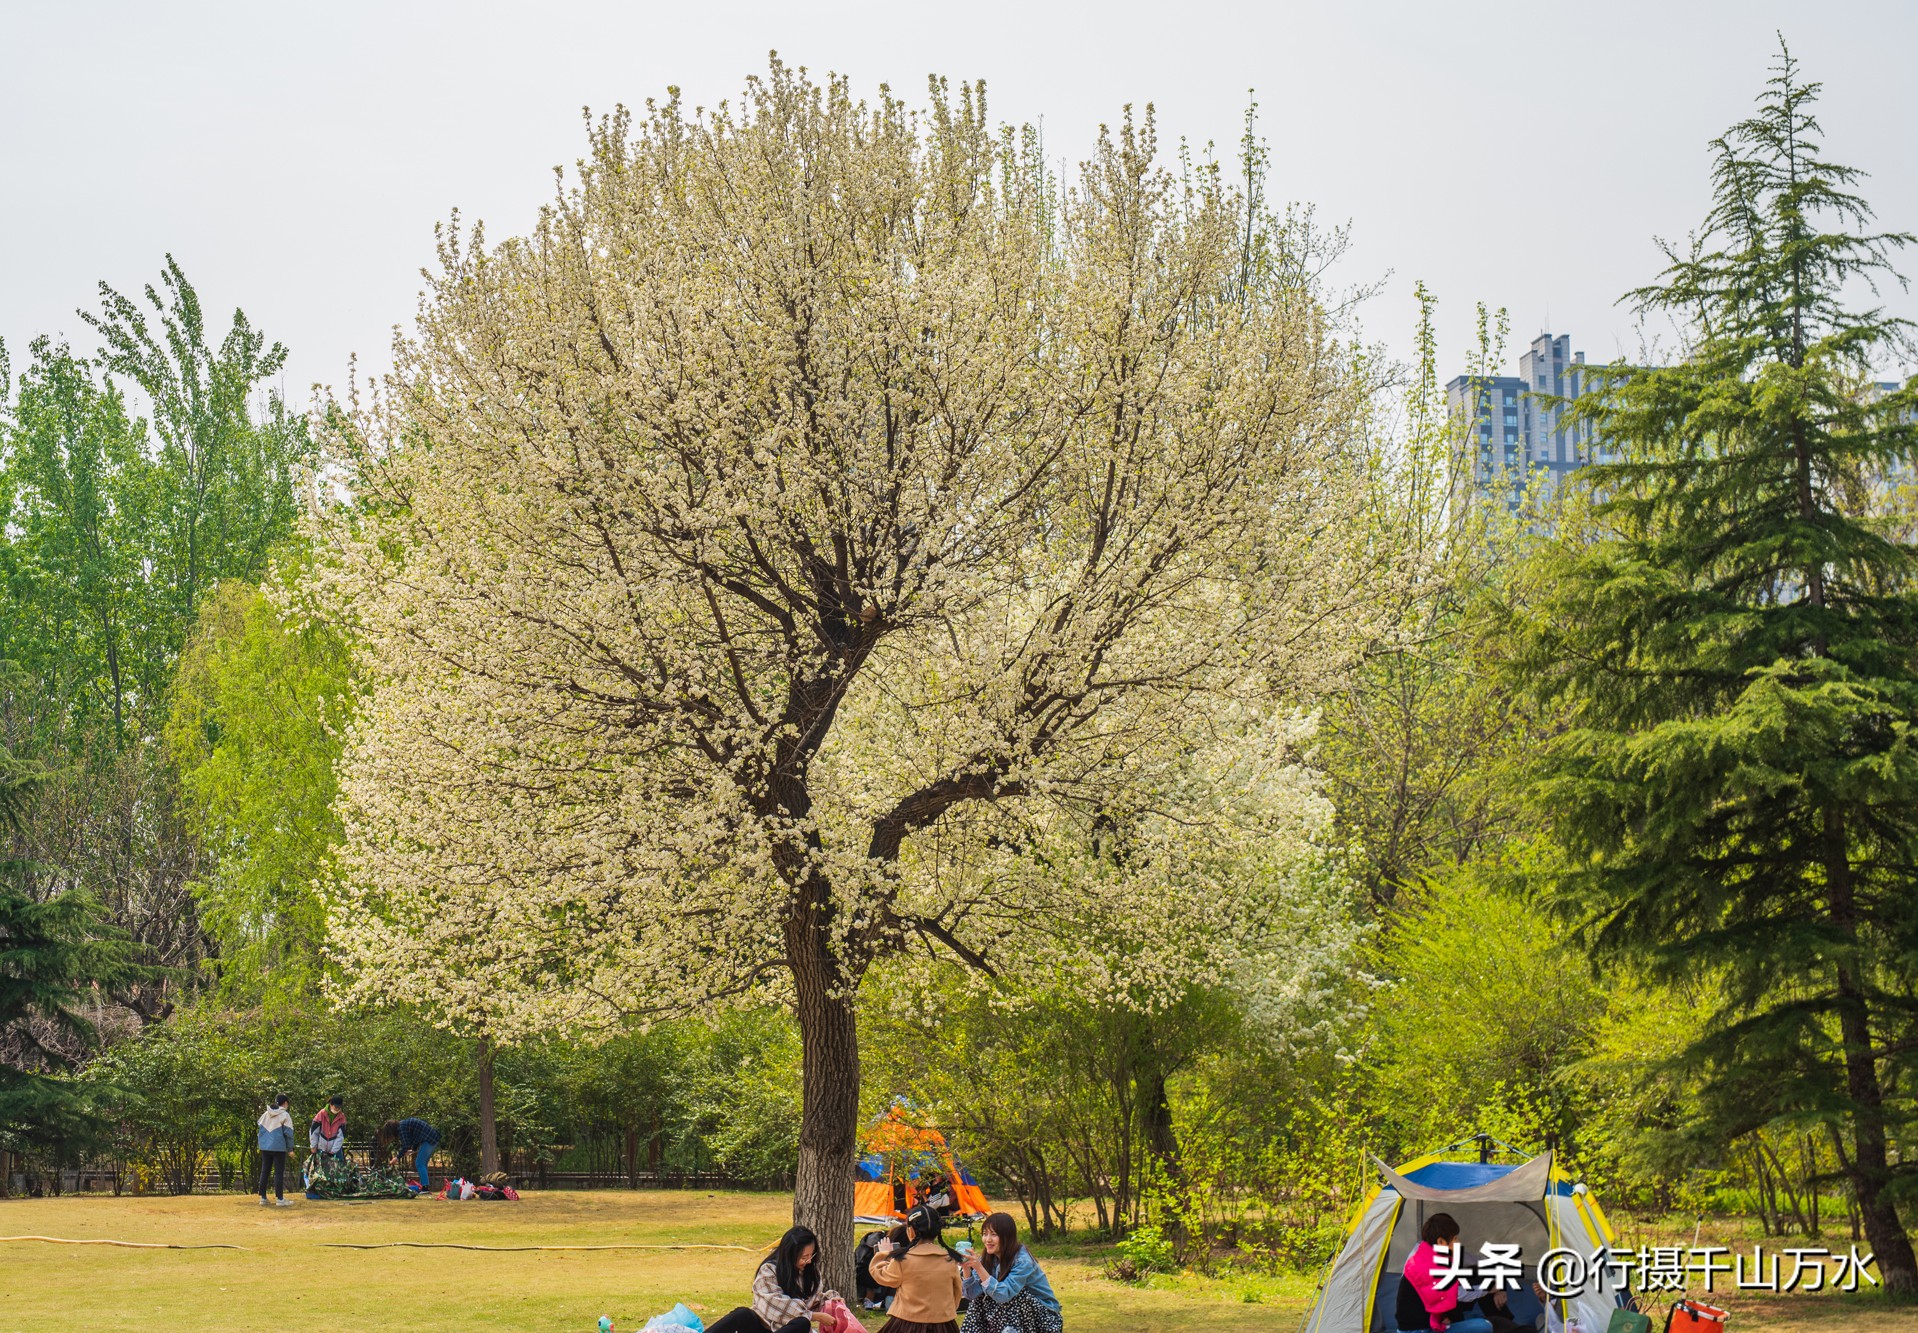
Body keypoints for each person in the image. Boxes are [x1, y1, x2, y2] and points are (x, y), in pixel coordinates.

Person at [1399, 1213, 1521, 1333]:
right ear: (1441, 1241)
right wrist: (1488, 1289)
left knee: (1480, 1275)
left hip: (1432, 1319)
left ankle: (1509, 1326)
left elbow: (1483, 1263)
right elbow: (1457, 1294)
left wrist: (1499, 1286)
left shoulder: (1428, 1252)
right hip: (1419, 1329)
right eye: (1455, 1238)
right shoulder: (1425, 1265)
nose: (1458, 1241)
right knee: (1485, 1325)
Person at [705, 1226, 841, 1333]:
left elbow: (815, 1299)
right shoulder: (769, 1270)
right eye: (804, 1257)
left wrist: (833, 1301)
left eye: (811, 1255)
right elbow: (776, 1305)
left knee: (802, 1323)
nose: (808, 1261)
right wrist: (813, 1316)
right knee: (742, 1314)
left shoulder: (810, 1273)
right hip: (762, 1327)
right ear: (790, 1255)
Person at [869, 1203, 965, 1333]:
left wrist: (884, 1254)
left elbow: (882, 1275)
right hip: (943, 1325)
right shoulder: (950, 1260)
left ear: (911, 1231)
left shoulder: (902, 1260)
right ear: (937, 1231)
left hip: (907, 1324)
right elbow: (956, 1293)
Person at [959, 1212, 1061, 1333]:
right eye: (985, 1234)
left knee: (1014, 1295)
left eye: (994, 1234)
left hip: (1044, 1320)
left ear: (1007, 1237)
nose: (988, 1239)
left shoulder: (1022, 1261)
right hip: (1012, 1316)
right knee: (981, 1296)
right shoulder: (987, 1258)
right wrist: (966, 1268)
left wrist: (979, 1268)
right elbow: (971, 1295)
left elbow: (1003, 1295)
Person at [373, 1117, 442, 1194]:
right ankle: (424, 1187)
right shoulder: (403, 1125)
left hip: (429, 1139)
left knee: (419, 1162)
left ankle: (425, 1188)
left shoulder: (401, 1128)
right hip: (432, 1137)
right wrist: (413, 1150)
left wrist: (397, 1157)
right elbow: (415, 1137)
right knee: (422, 1163)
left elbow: (406, 1145)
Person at [256, 1094, 295, 1206]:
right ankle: (280, 1199)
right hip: (279, 1148)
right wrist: (290, 1149)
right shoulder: (285, 1115)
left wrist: (262, 1144)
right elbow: (288, 1134)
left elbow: (260, 1130)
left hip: (265, 1147)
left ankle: (263, 1198)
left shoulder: (265, 1114)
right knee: (278, 1173)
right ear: (285, 1103)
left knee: (265, 1171)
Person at [310, 1096, 346, 1163]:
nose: (337, 1109)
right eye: (336, 1107)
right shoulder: (321, 1114)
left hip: (335, 1150)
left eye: (339, 1107)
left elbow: (340, 1136)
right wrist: (313, 1146)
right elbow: (314, 1132)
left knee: (339, 1167)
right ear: (331, 1104)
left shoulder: (342, 1117)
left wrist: (333, 1151)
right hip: (321, 1148)